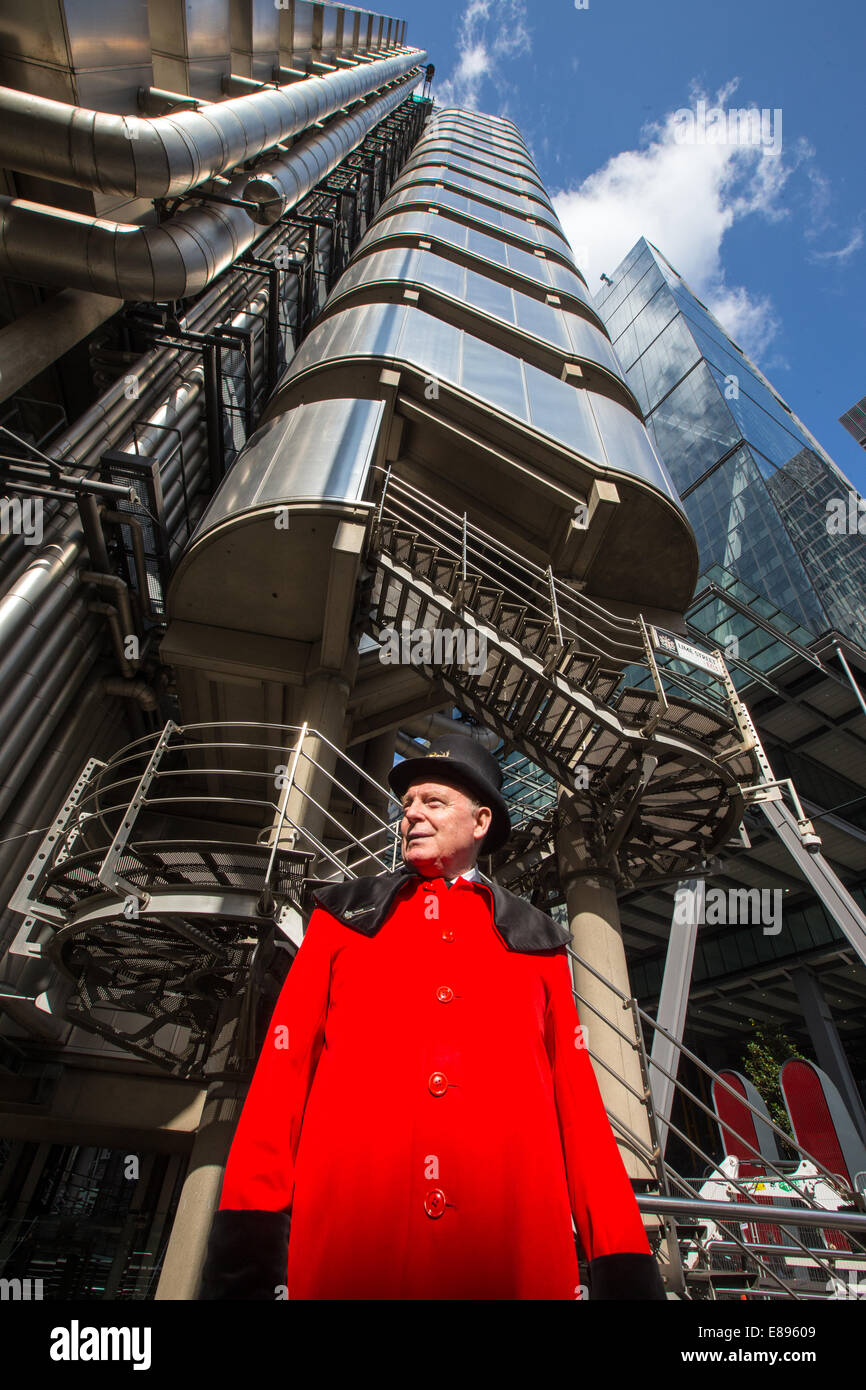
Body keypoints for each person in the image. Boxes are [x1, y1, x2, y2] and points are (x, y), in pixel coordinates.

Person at [198, 734, 665, 1300]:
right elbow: (280, 1081)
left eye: (433, 802)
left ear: (480, 821)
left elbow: (580, 1112)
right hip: (348, 1259)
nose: (411, 814)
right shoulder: (341, 920)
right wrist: (245, 1256)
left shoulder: (539, 943)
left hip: (509, 1262)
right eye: (407, 805)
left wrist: (621, 1264)